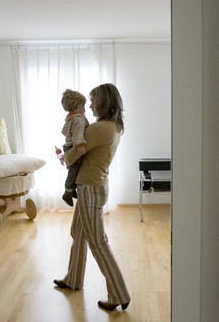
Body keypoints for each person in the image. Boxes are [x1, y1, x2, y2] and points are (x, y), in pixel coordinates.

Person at [53, 83, 131, 311]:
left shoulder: (99, 129)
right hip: (95, 185)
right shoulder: (114, 126)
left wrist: (62, 157)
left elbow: (76, 151)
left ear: (104, 102)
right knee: (78, 233)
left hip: (89, 188)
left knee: (98, 242)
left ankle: (119, 293)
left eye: (94, 100)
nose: (91, 105)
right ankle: (73, 279)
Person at [58, 89, 89, 207]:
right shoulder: (79, 119)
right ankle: (68, 192)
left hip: (68, 146)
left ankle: (72, 189)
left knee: (75, 169)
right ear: (80, 105)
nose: (85, 108)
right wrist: (81, 145)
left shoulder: (71, 117)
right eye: (84, 105)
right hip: (73, 147)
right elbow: (78, 134)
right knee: (74, 169)